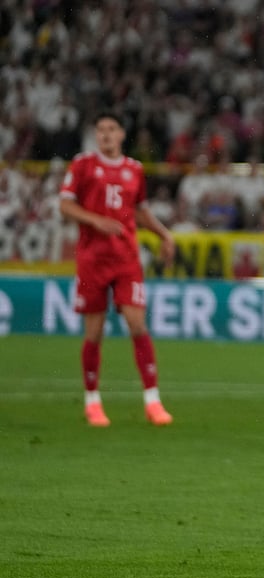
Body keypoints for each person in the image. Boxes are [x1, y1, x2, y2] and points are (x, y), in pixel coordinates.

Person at [59, 112, 176, 427]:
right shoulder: (83, 165)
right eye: (100, 130)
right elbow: (65, 205)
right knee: (94, 332)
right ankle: (92, 402)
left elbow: (141, 211)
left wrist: (165, 235)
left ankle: (153, 401)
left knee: (137, 324)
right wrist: (96, 220)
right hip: (92, 260)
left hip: (126, 259)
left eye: (111, 129)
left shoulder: (134, 169)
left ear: (123, 134)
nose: (106, 135)